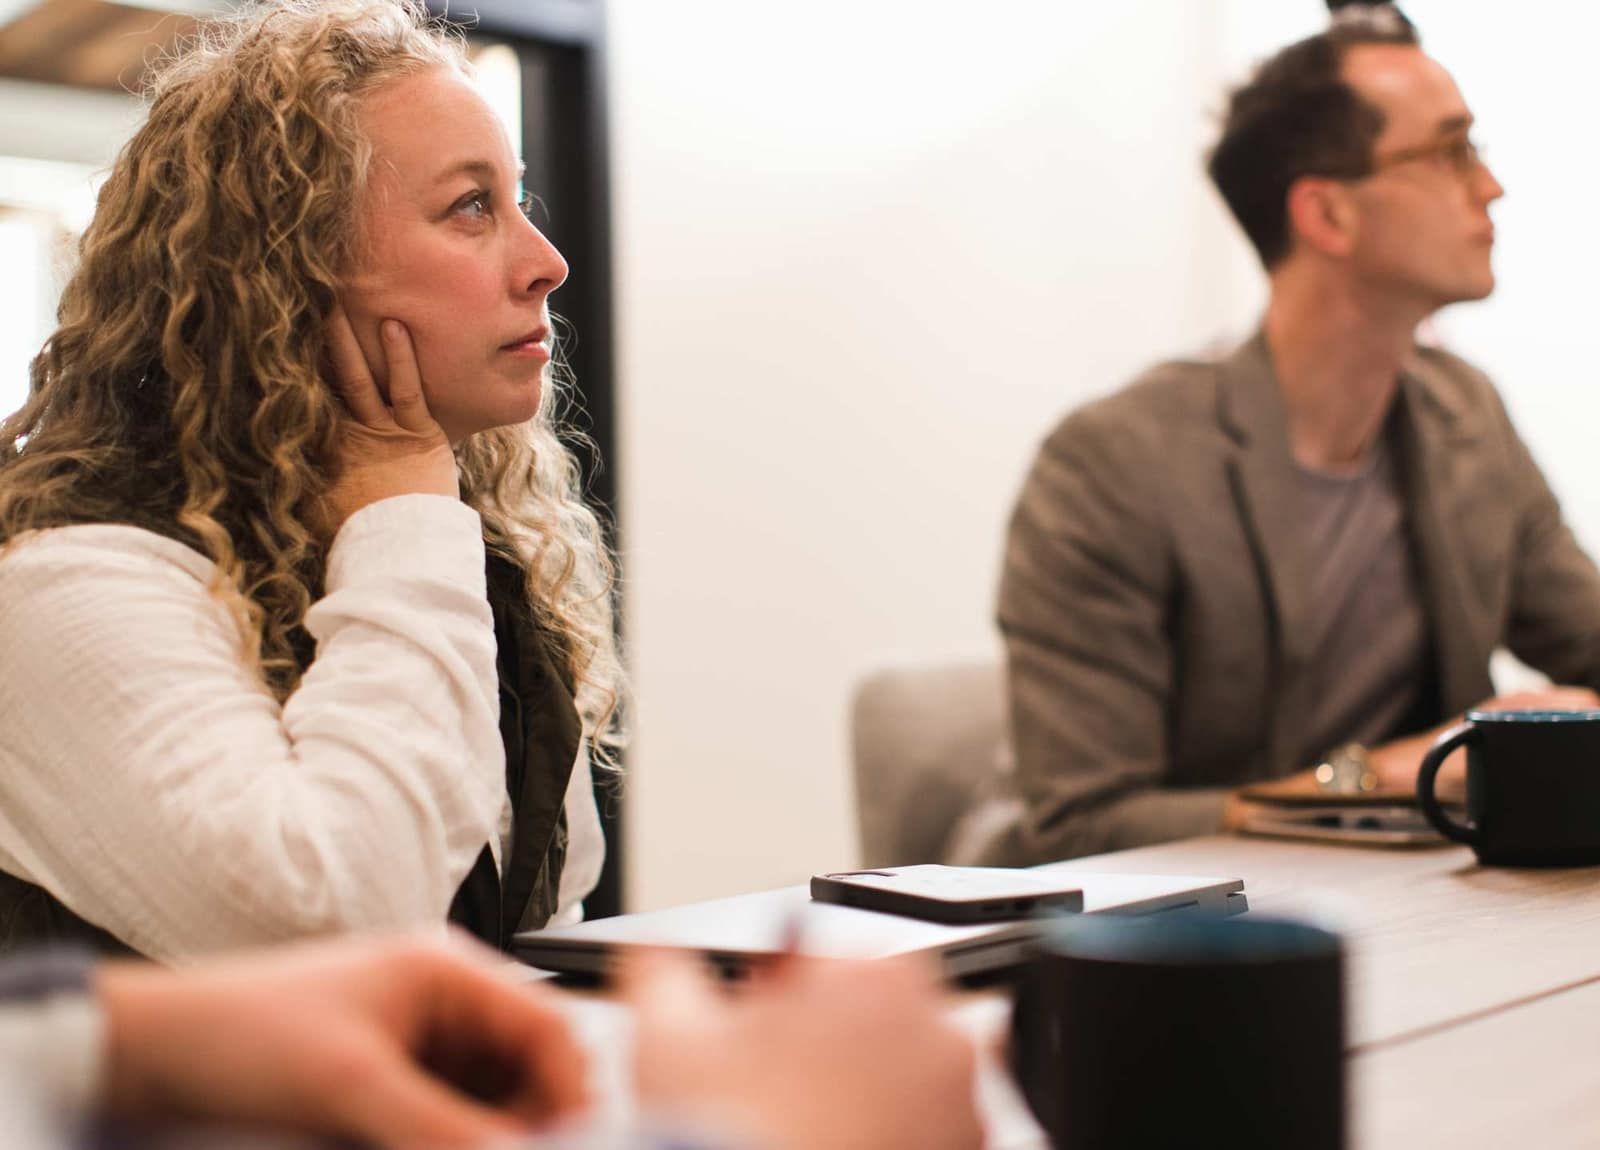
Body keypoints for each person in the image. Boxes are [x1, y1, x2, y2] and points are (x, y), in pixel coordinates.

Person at [0, 0, 622, 957]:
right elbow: (334, 929)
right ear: (290, 269)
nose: (547, 262)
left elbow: (548, 926)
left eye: (519, 200)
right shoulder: (60, 582)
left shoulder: (475, 550)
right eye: (470, 207)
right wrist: (402, 498)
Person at [975, 3, 1600, 865]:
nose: (1489, 186)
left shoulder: (1465, 415)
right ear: (1328, 216)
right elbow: (1084, 824)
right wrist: (1376, 774)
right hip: (1191, 941)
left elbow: (1589, 643)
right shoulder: (1113, 464)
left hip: (1425, 911)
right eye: (1452, 151)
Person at [0, 934, 983, 1150]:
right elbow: (348, 890)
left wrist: (111, 1031)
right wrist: (761, 1137)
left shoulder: (509, 562)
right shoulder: (88, 581)